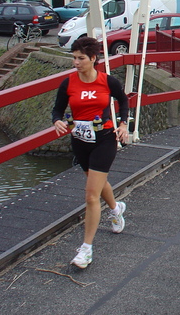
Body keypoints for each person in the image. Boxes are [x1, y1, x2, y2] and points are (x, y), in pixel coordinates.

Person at [52, 37, 130, 269]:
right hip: (80, 141)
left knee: (90, 195)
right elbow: (57, 109)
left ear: (93, 59)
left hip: (104, 139)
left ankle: (86, 249)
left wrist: (123, 124)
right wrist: (57, 121)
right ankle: (116, 209)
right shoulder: (68, 83)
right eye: (73, 58)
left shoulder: (108, 81)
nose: (76, 62)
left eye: (80, 58)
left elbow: (123, 101)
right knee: (97, 183)